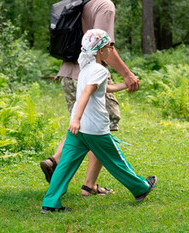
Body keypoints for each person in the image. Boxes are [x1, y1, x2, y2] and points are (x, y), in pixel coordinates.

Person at [41, 29, 156, 213]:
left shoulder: (86, 69)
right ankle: (141, 188)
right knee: (116, 161)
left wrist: (126, 85)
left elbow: (105, 88)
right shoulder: (99, 70)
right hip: (94, 130)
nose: (112, 49)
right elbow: (87, 92)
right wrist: (77, 119)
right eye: (110, 45)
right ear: (99, 51)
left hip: (77, 131)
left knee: (64, 166)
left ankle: (50, 203)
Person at [40, 0, 140, 196]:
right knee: (103, 128)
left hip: (69, 74)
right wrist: (127, 75)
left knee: (81, 127)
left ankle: (55, 162)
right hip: (93, 75)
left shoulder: (78, 2)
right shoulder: (105, 5)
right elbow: (105, 48)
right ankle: (90, 185)